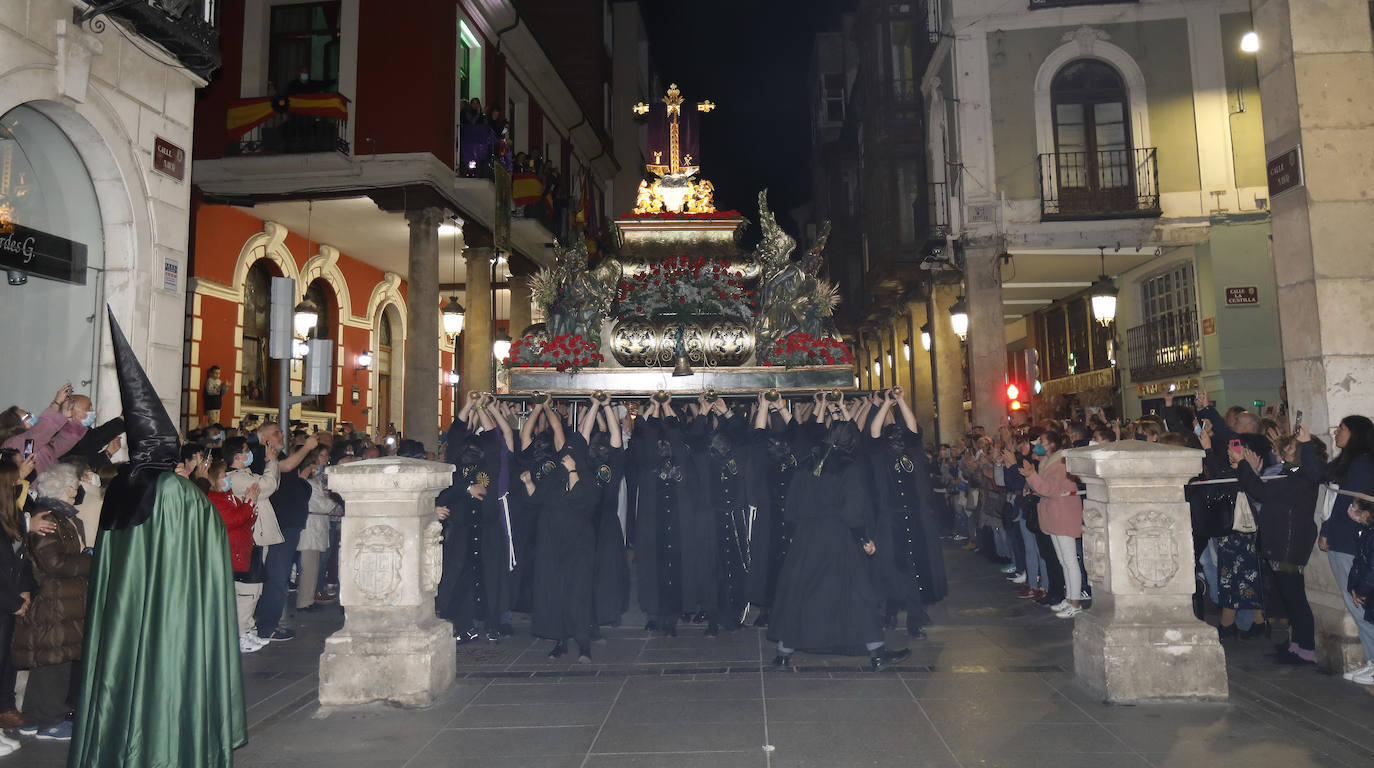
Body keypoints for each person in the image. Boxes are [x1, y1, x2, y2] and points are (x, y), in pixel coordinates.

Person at [68, 308, 245, 768]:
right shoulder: (177, 492)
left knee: (120, 677)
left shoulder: (120, 489)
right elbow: (207, 554)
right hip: (172, 616)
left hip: (123, 618)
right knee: (163, 679)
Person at [768, 405, 911, 673]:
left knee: (800, 593)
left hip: (806, 539)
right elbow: (852, 511)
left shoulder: (807, 463)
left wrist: (795, 533)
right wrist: (863, 538)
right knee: (858, 595)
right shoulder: (849, 467)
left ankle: (783, 653)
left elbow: (791, 505)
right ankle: (878, 654)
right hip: (838, 539)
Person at [12, 463, 91, 742]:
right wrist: (92, 561)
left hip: (63, 599)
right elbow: (54, 563)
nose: (76, 490)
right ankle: (50, 718)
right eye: (73, 485)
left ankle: (35, 717)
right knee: (54, 660)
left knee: (53, 658)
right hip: (53, 600)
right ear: (61, 488)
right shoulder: (47, 518)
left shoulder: (62, 517)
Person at [1236, 428, 1321, 664]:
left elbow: (1262, 492)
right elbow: (1284, 470)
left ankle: (1307, 650)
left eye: (1293, 447)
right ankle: (1296, 645)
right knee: (1288, 597)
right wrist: (1281, 449)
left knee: (1295, 598)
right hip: (1282, 540)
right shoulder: (1294, 471)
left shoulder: (1304, 475)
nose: (1286, 450)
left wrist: (1244, 466)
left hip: (1289, 543)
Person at [523, 438, 598, 663]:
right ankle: (560, 641)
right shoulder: (553, 478)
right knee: (556, 594)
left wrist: (573, 470)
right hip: (553, 545)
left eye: (572, 453)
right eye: (565, 453)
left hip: (579, 547)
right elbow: (537, 500)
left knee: (578, 596)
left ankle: (584, 644)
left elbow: (582, 499)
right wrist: (528, 483)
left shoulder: (587, 478)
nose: (566, 456)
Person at [1318, 415, 1374, 683]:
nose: (1336, 432)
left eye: (1342, 428)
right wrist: (1301, 450)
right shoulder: (1347, 461)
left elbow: (1347, 503)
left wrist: (1327, 531)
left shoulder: (1361, 463)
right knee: (1355, 604)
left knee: (1359, 602)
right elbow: (1313, 474)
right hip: (1342, 537)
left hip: (1349, 539)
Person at [1019, 430, 1084, 618]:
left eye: (1042, 441)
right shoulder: (1048, 462)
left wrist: (1031, 475)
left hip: (1063, 514)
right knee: (1063, 560)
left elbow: (1049, 489)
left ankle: (1075, 602)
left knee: (1070, 560)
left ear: (1053, 445)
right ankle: (1069, 598)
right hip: (1054, 515)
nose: (1038, 443)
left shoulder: (1060, 463)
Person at [206, 459, 262, 652]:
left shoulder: (228, 496)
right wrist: (248, 503)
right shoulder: (215, 499)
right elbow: (233, 519)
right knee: (244, 594)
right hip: (232, 551)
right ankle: (239, 635)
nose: (226, 479)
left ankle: (245, 631)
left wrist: (250, 504)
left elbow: (246, 518)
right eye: (222, 477)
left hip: (241, 549)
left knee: (248, 594)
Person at [1, 384, 90, 476]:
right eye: (27, 417)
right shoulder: (13, 445)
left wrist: (69, 417)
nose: (32, 416)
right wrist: (56, 402)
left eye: (29, 414)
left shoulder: (37, 441)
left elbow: (61, 444)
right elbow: (41, 430)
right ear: (14, 426)